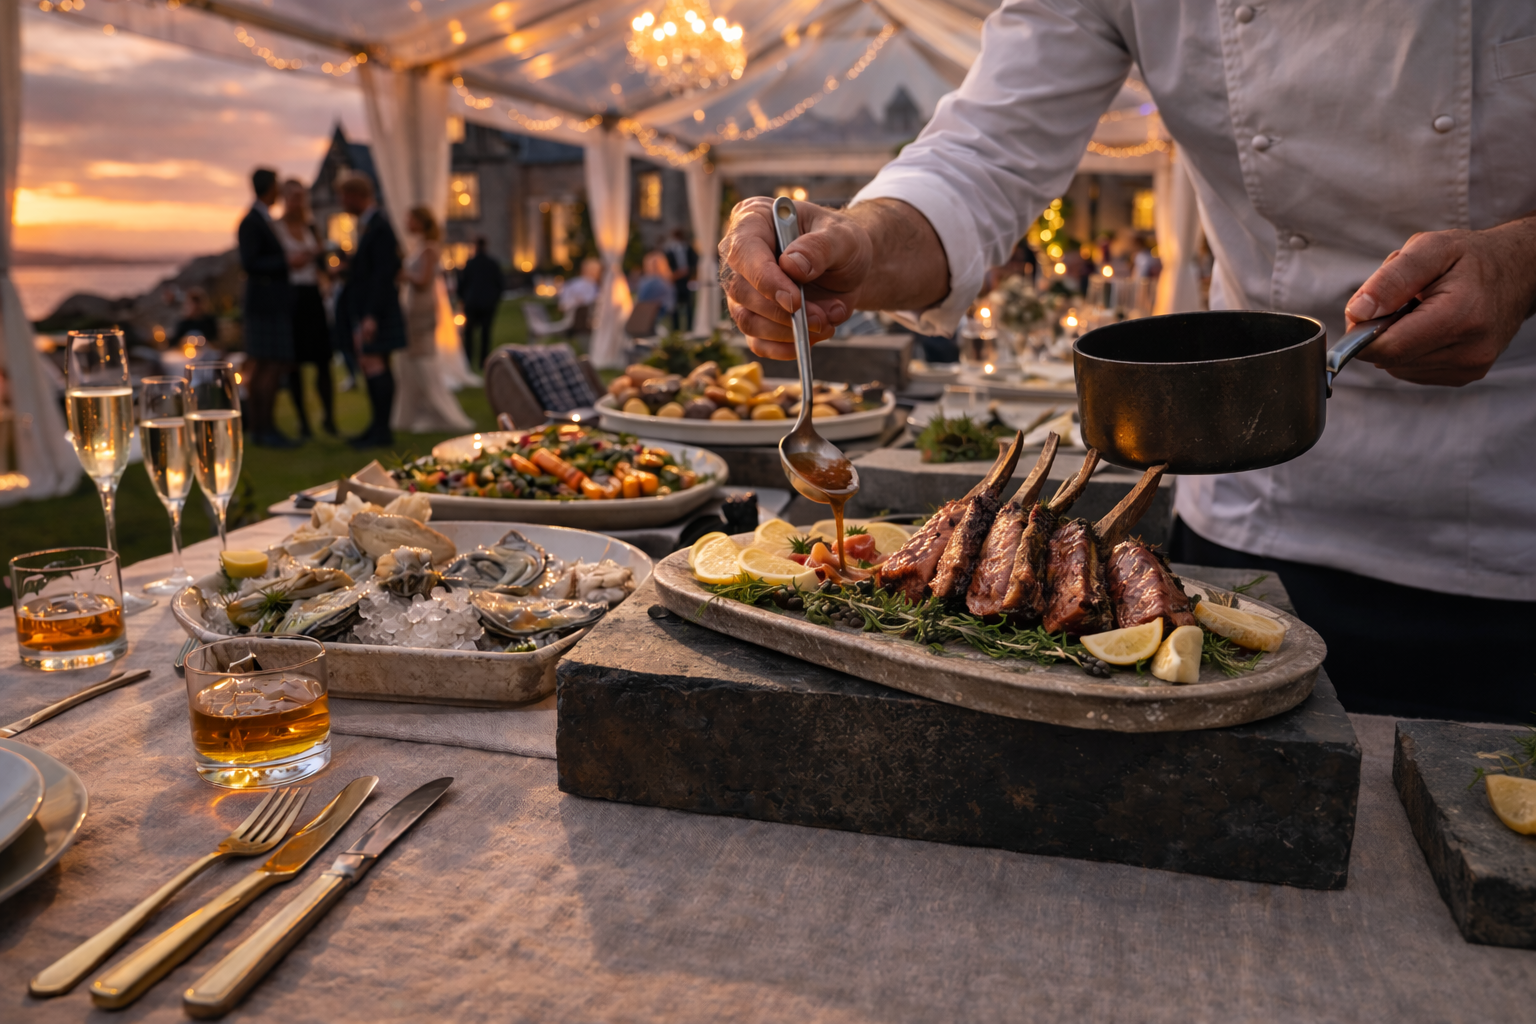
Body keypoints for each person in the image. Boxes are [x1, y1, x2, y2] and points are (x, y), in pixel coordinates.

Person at [716, 3, 1536, 724]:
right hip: (1252, 476)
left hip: (1512, 501)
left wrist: (1522, 262)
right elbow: (983, 156)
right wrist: (858, 242)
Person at [332, 173, 405, 449]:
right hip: (371, 309)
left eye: (344, 196)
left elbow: (383, 274)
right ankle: (376, 426)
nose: (341, 202)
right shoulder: (369, 226)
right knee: (372, 365)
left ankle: (382, 431)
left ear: (356, 195)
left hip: (377, 311)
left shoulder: (379, 227)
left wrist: (371, 315)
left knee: (376, 365)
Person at [393, 206, 472, 433]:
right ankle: (411, 412)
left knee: (421, 358)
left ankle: (440, 411)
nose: (406, 222)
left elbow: (424, 279)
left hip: (422, 308)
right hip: (414, 306)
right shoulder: (419, 247)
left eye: (410, 219)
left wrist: (401, 274)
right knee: (409, 359)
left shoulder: (428, 249)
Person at [236, 167, 298, 447]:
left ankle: (263, 429)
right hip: (264, 305)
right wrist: (288, 262)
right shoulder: (251, 221)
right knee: (267, 366)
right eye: (278, 186)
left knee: (266, 366)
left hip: (269, 304)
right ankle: (264, 429)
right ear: (269, 187)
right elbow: (250, 263)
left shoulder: (262, 218)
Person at [276, 178, 336, 437]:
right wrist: (308, 257)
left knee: (323, 362)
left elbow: (319, 263)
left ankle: (329, 419)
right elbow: (288, 263)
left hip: (313, 296)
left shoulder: (311, 226)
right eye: (293, 197)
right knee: (294, 364)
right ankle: (304, 423)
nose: (298, 202)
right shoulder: (277, 229)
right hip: (291, 298)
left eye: (301, 197)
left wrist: (328, 274)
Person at [457, 236, 504, 369]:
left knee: (469, 334)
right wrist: (494, 299)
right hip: (487, 304)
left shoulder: (470, 264)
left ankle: (468, 360)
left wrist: (464, 298)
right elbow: (500, 284)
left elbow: (462, 284)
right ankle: (483, 361)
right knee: (485, 334)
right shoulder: (492, 263)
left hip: (472, 303)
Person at [663, 228, 699, 331]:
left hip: (687, 280)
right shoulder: (669, 250)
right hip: (675, 281)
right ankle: (676, 328)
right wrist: (673, 275)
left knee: (688, 304)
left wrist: (690, 273)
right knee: (675, 305)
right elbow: (666, 266)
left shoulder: (688, 248)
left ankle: (689, 327)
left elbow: (694, 262)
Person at [633, 251, 676, 316]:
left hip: (652, 310)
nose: (655, 266)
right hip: (655, 309)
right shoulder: (665, 279)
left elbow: (641, 298)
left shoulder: (650, 280)